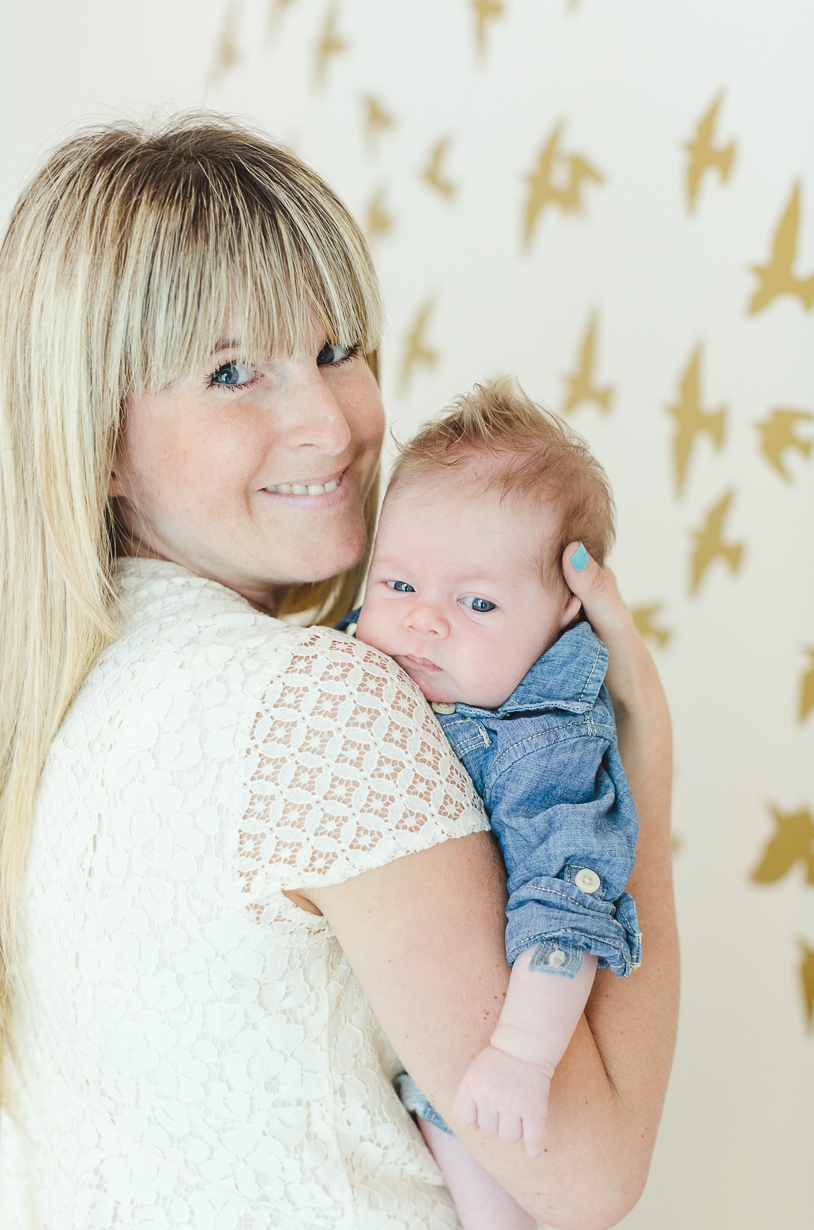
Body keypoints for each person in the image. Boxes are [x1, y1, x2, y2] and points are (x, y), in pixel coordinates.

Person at [0, 114, 678, 1230]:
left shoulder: (62, 693)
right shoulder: (316, 701)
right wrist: (642, 787)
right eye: (232, 372)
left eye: (335, 350)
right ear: (101, 440)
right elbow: (587, 1176)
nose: (330, 421)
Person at [344, 381, 642, 1229]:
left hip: (506, 1041)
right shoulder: (366, 665)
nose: (425, 624)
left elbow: (567, 904)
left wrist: (519, 1055)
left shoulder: (547, 744)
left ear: (563, 617)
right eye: (398, 585)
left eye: (477, 603)